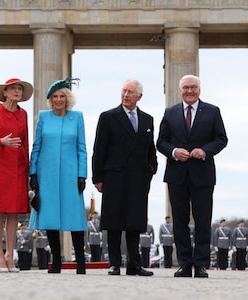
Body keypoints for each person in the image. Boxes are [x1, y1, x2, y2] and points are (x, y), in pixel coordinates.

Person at [156, 74, 228, 278]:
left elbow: (221, 139)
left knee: (203, 220)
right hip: (176, 174)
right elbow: (161, 142)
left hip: (203, 174)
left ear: (199, 90)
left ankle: (201, 264)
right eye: (186, 87)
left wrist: (204, 151)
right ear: (180, 90)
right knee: (179, 220)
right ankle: (185, 264)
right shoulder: (170, 113)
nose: (189, 91)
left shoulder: (213, 111)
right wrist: (174, 151)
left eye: (193, 87)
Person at [92, 79, 158, 277]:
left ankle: (134, 265)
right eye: (123, 91)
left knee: (135, 222)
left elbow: (150, 148)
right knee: (114, 222)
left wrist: (152, 167)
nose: (126, 95)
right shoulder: (108, 117)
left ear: (139, 96)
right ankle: (114, 264)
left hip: (138, 178)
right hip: (114, 176)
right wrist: (98, 177)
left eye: (130, 92)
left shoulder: (148, 119)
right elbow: (99, 149)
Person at [29, 78, 88, 275]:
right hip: (48, 174)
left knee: (75, 218)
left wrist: (82, 174)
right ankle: (56, 262)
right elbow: (36, 146)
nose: (58, 99)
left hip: (71, 174)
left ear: (68, 98)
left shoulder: (77, 117)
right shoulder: (44, 117)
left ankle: (80, 262)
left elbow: (82, 148)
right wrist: (33, 172)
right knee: (50, 217)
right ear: (50, 99)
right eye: (55, 96)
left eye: (62, 96)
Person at [0, 77, 33, 273]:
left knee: (14, 211)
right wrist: (1, 141)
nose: (17, 91)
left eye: (19, 89)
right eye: (13, 89)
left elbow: (25, 142)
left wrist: (28, 169)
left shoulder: (23, 114)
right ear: (5, 92)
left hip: (17, 166)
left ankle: (11, 255)